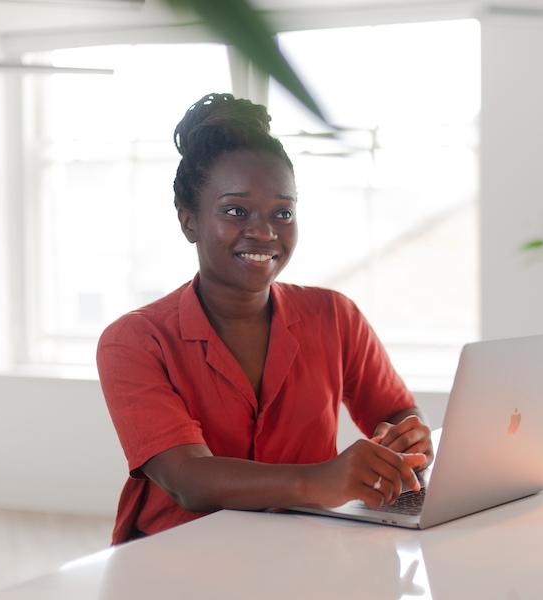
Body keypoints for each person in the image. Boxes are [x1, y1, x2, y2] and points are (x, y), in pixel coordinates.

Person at [96, 93, 433, 545]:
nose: (264, 231)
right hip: (177, 559)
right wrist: (321, 479)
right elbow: (188, 479)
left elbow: (393, 411)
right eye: (236, 211)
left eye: (283, 213)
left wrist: (405, 440)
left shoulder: (334, 316)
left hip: (306, 547)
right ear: (188, 220)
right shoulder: (135, 340)